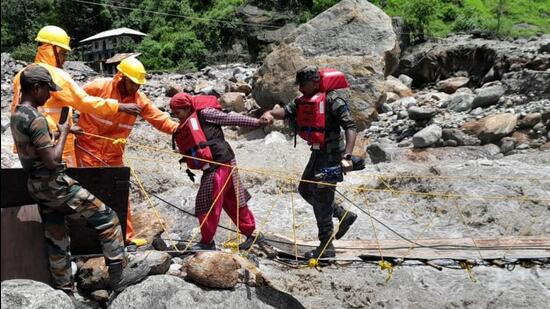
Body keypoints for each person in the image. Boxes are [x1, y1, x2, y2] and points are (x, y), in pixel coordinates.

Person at [10, 64, 148, 294]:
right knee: (108, 218)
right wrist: (64, 131)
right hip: (56, 186)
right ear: (35, 88)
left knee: (57, 236)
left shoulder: (17, 114)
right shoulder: (36, 118)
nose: (49, 95)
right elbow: (53, 161)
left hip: (36, 186)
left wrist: (58, 134)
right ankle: (118, 278)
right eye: (47, 90)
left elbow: (34, 144)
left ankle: (64, 290)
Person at [74, 57, 178, 248]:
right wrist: (69, 124)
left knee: (120, 194)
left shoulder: (139, 101)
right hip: (88, 148)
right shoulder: (99, 86)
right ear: (121, 76)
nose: (135, 88)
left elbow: (159, 119)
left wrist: (181, 130)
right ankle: (89, 241)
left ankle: (125, 236)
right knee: (91, 194)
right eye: (132, 83)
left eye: (138, 85)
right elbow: (72, 98)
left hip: (113, 153)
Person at [261, 66, 358, 258]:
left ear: (315, 82)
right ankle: (342, 214)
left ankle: (327, 247)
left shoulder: (333, 100)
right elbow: (286, 111)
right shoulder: (303, 100)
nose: (300, 89)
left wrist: (347, 157)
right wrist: (270, 114)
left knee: (322, 197)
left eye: (303, 84)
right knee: (305, 189)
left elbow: (350, 126)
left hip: (333, 157)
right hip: (317, 153)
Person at [11, 25, 141, 167]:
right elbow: (83, 102)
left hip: (29, 145)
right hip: (57, 146)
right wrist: (119, 106)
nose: (65, 58)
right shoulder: (56, 75)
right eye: (63, 53)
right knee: (64, 184)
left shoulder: (23, 73)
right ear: (53, 49)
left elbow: (15, 111)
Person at [170, 92, 269, 251]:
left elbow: (229, 118)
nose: (176, 117)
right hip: (223, 163)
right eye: (173, 114)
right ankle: (253, 235)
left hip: (220, 163)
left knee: (207, 202)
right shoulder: (189, 120)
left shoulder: (205, 113)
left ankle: (207, 242)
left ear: (187, 107)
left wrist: (257, 122)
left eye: (178, 113)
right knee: (233, 200)